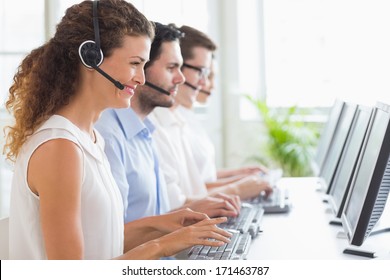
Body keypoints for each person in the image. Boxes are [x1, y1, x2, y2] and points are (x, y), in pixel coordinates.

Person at [3, 0, 230, 260]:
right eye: (134, 63)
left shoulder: (90, 139)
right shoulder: (60, 147)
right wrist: (160, 245)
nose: (141, 78)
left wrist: (163, 225)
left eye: (143, 65)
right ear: (91, 57)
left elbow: (102, 241)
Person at [95, 22, 240, 222]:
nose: (180, 79)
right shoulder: (108, 136)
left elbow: (159, 215)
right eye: (172, 68)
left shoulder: (145, 131)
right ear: (140, 69)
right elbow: (112, 237)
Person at [150, 24, 273, 202]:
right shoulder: (154, 127)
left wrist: (240, 177)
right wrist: (237, 187)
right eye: (201, 72)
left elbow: (197, 185)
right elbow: (176, 203)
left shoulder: (179, 120)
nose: (205, 83)